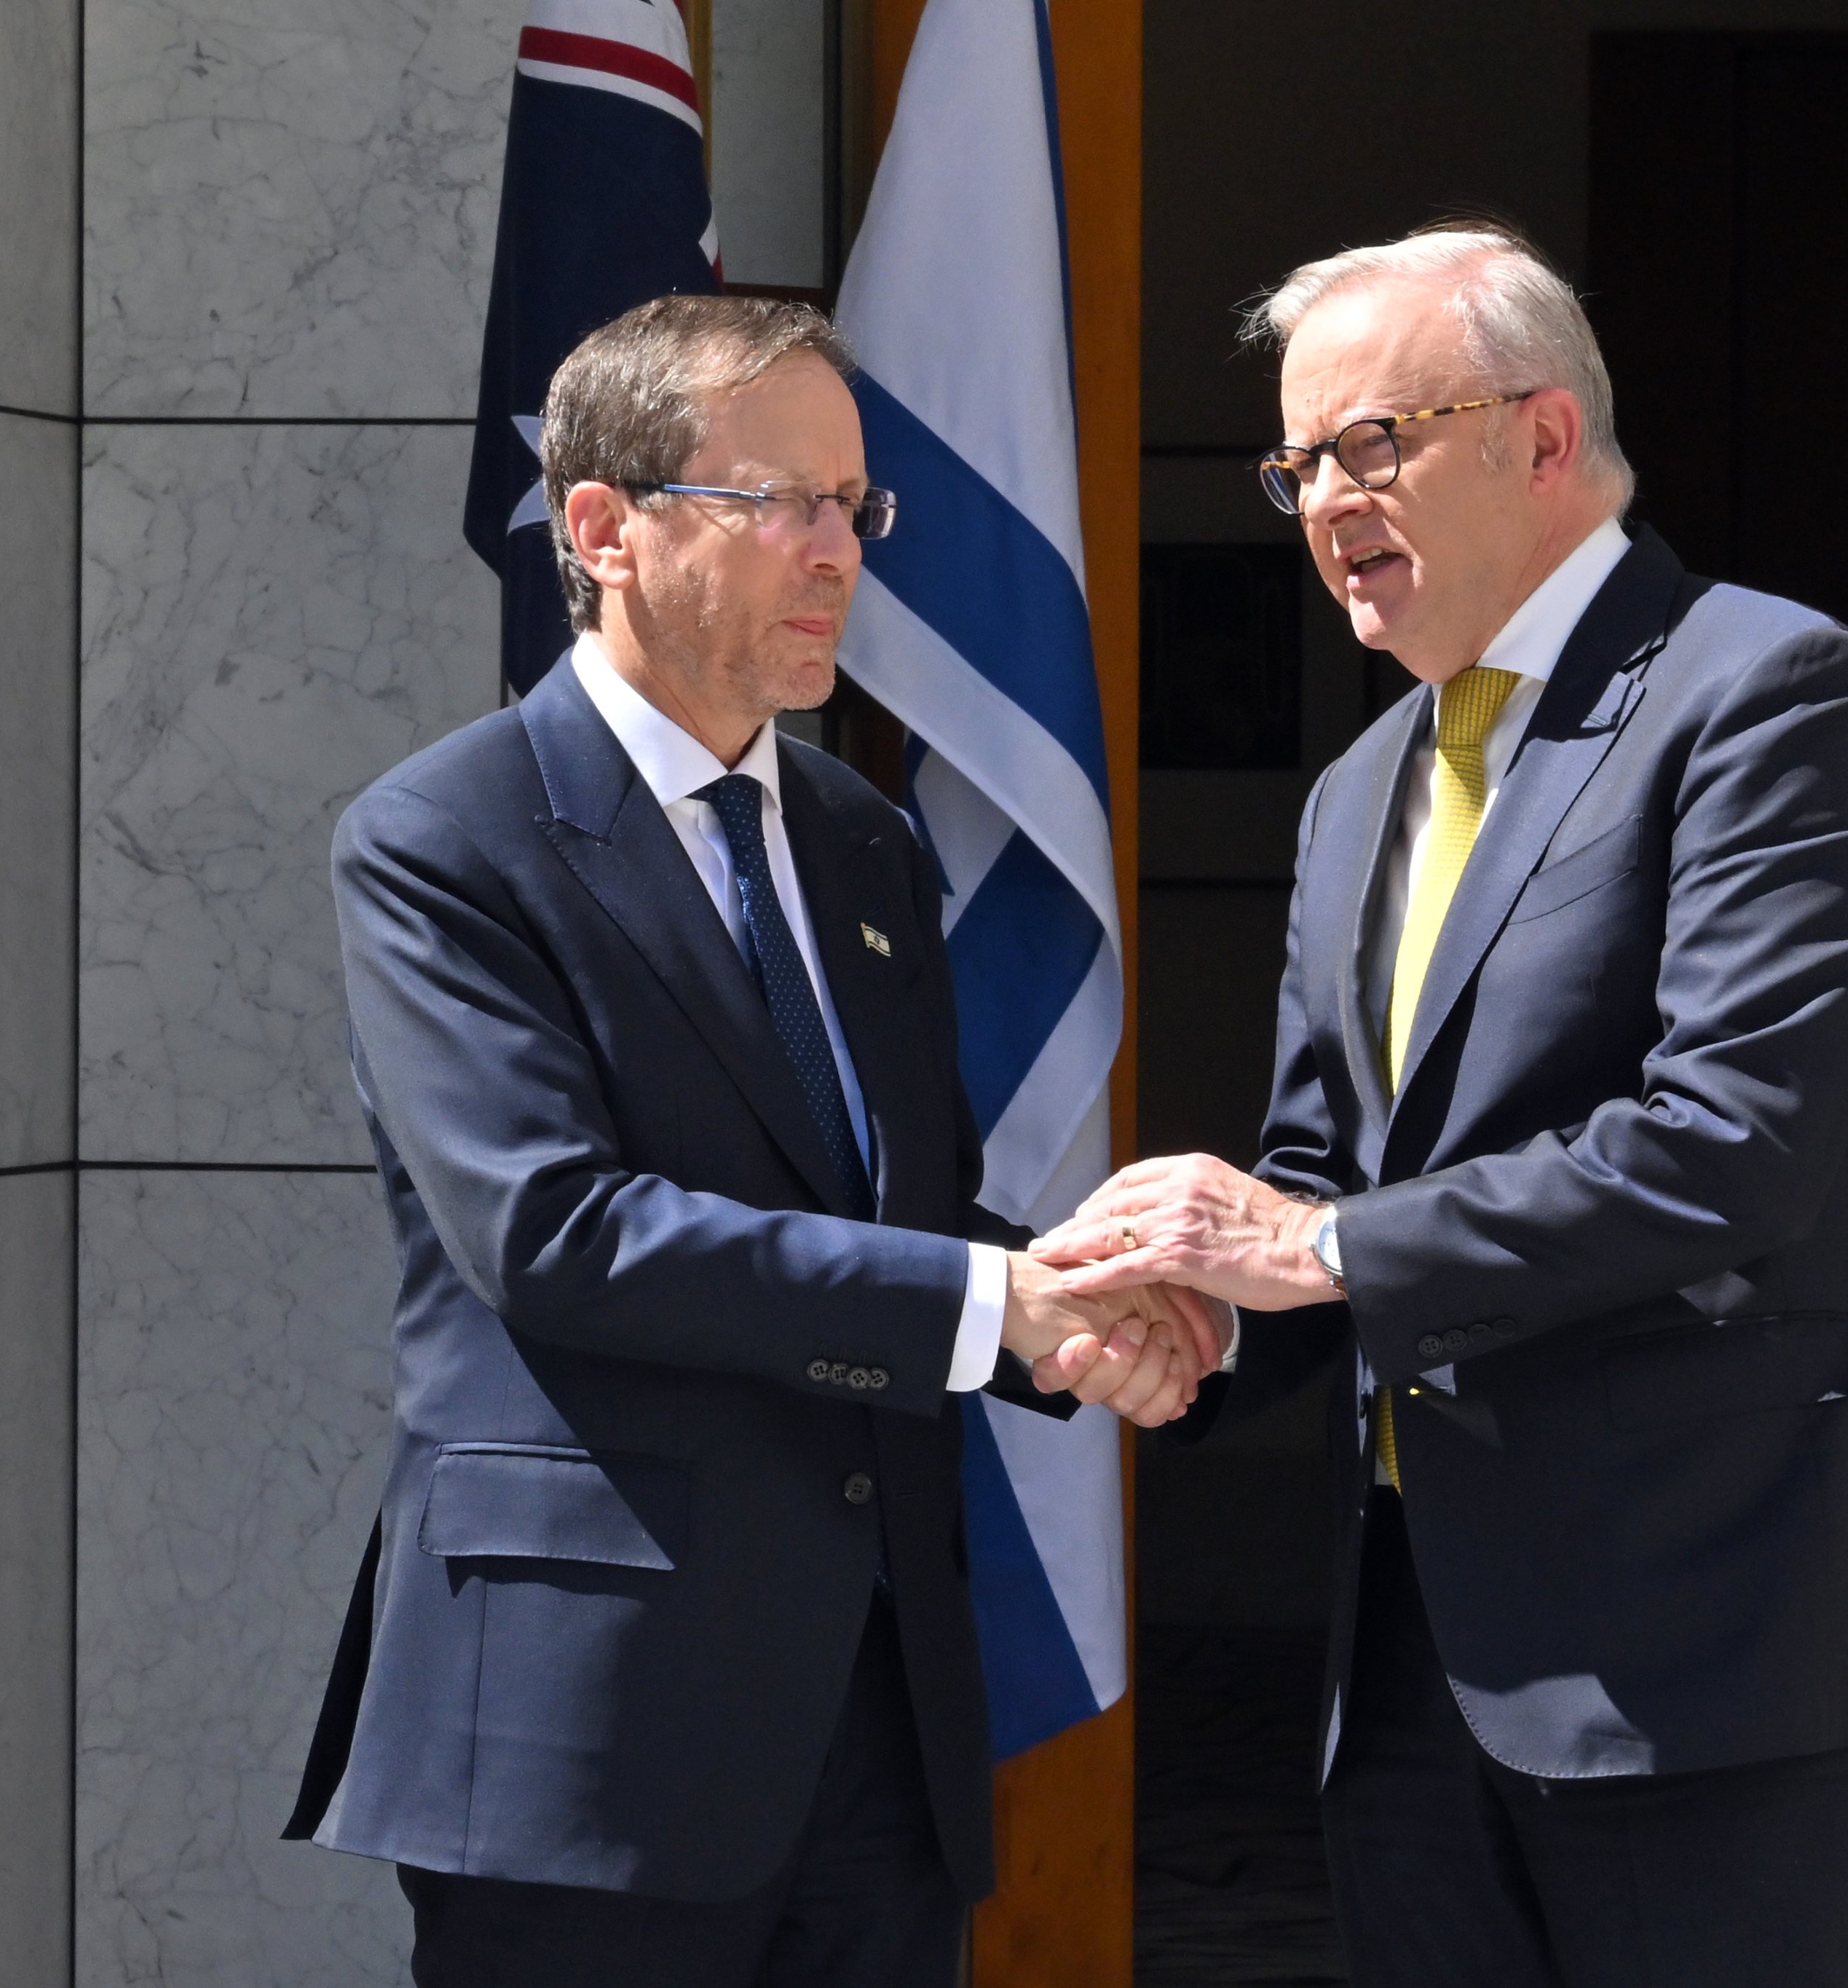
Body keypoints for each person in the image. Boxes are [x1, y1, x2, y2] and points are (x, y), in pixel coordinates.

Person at [1038, 226, 1848, 1986]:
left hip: (1701, 1644)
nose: (1320, 503)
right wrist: (1204, 1327)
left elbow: (1730, 1147)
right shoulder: (1360, 780)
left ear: (1541, 439)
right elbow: (1323, 1176)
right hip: (1411, 1665)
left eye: (1372, 444)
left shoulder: (1766, 693)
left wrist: (1303, 1244)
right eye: (1295, 465)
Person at [282, 293, 1214, 1988]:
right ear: (602, 530)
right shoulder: (446, 837)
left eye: (852, 509)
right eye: (775, 502)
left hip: (875, 1722)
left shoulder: (859, 841)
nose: (833, 553)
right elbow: (556, 1236)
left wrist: (1085, 1302)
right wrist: (997, 1302)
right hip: (591, 1737)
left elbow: (897, 1199)